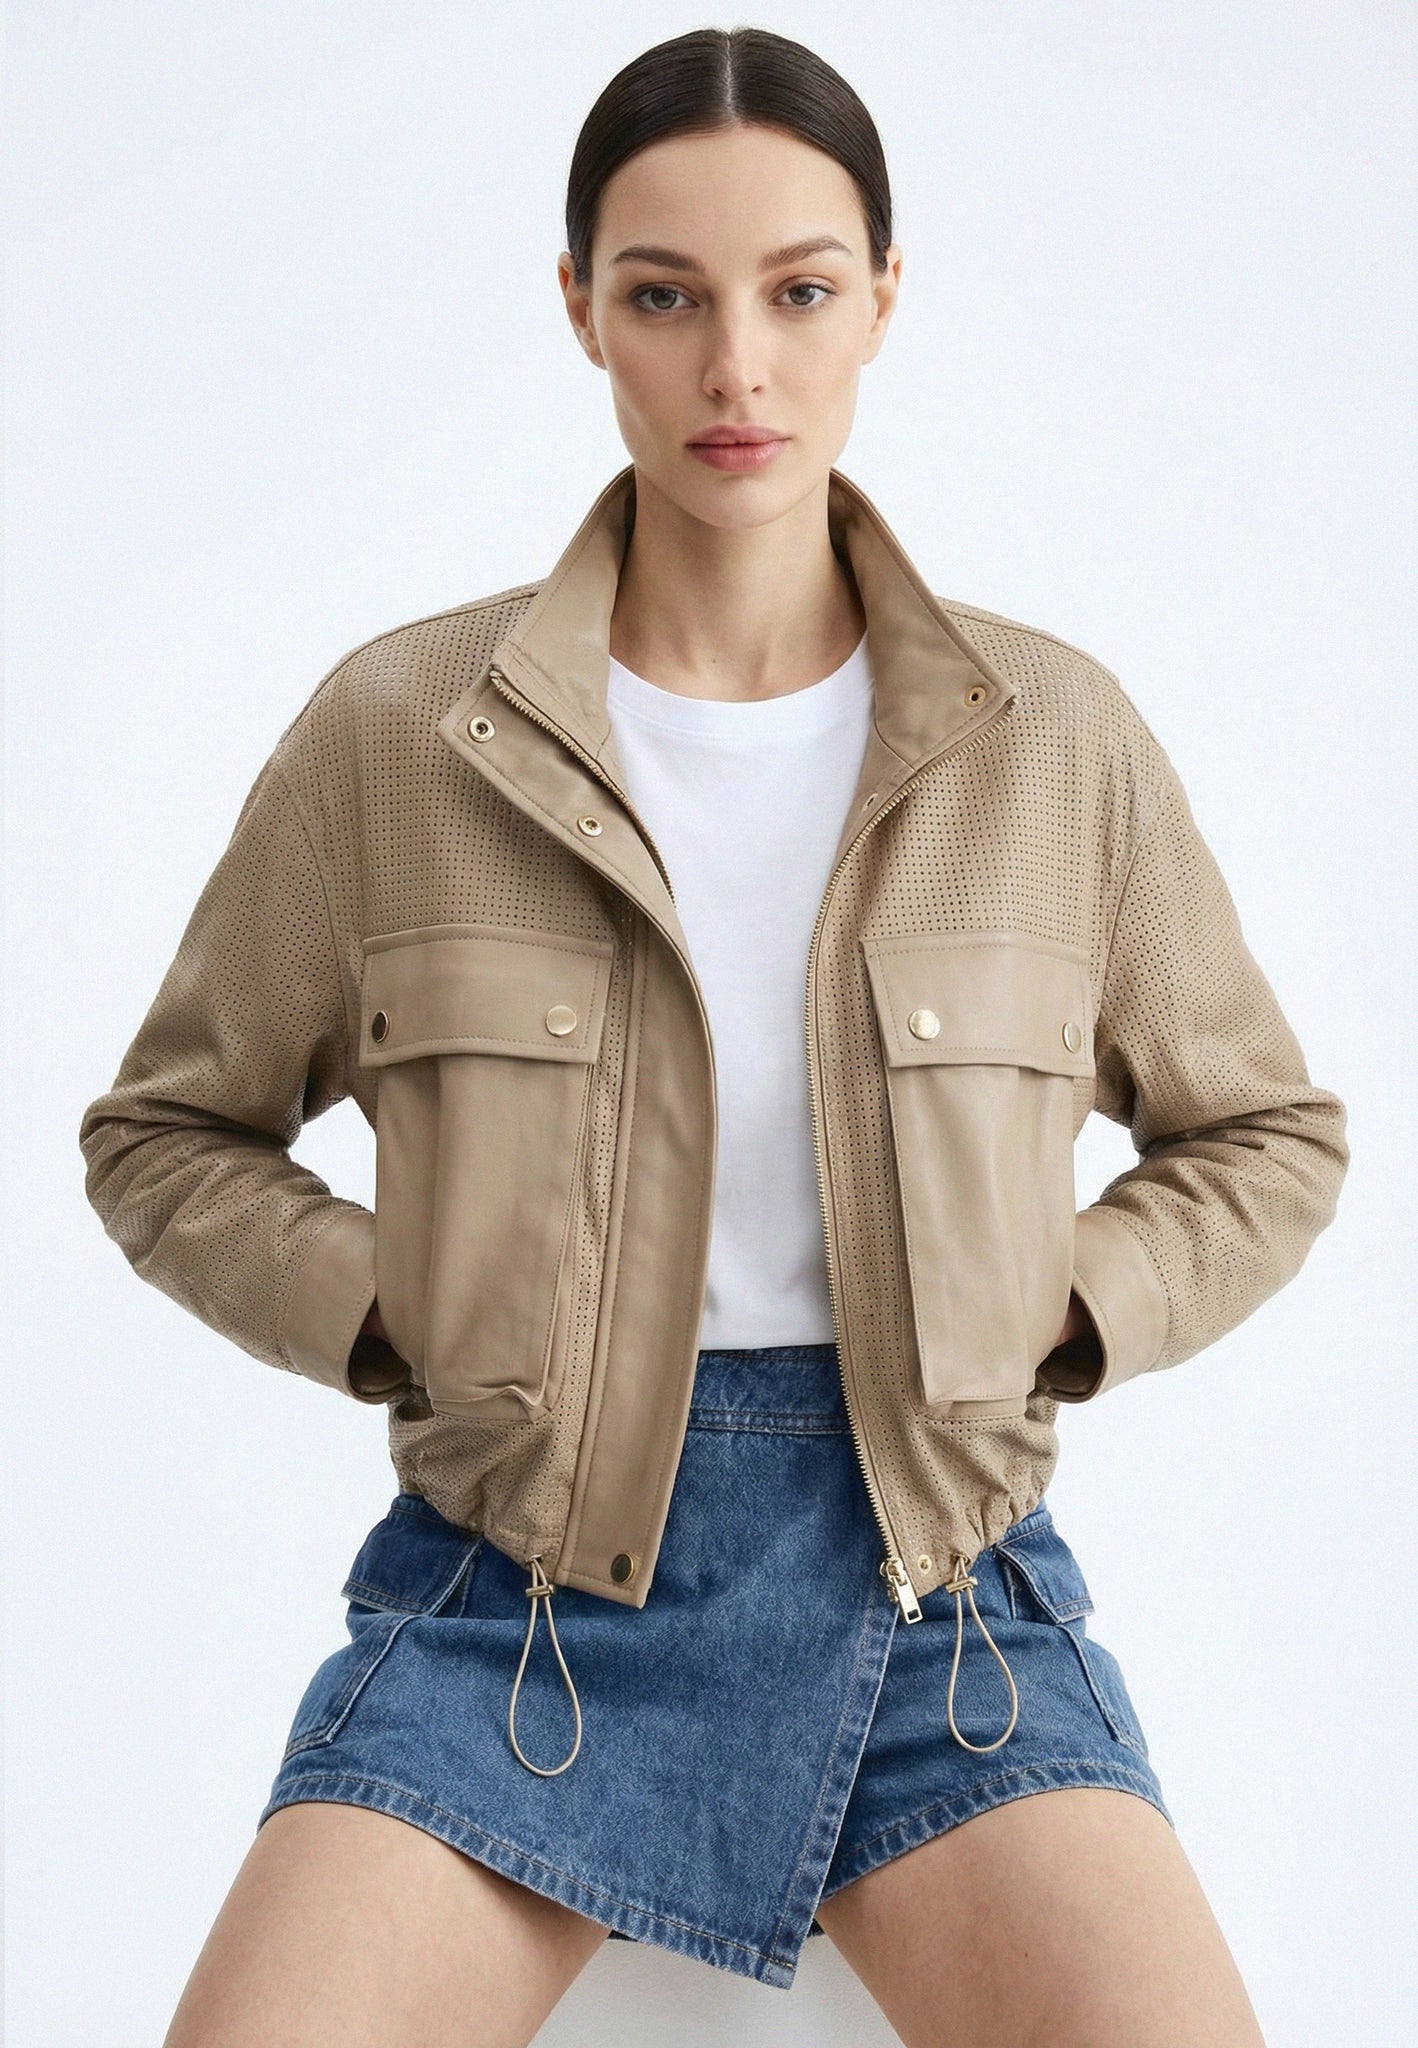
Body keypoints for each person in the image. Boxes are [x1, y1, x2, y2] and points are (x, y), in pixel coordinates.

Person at [78, 26, 1347, 2048]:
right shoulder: (403, 736)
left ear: (883, 300)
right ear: (580, 306)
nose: (736, 368)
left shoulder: (1048, 743)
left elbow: (1265, 1133)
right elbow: (166, 1136)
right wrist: (404, 1303)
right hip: (510, 1593)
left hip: (941, 1599)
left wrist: (1057, 1300)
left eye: (799, 292)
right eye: (664, 296)